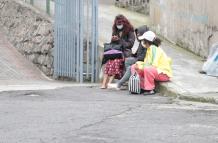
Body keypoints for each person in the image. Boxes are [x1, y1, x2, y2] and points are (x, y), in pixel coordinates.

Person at [108, 25, 162, 90]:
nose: (138, 36)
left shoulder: (153, 49)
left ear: (147, 41)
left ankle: (123, 82)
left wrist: (139, 63)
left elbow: (151, 63)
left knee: (131, 67)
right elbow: (147, 61)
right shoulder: (148, 47)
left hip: (159, 70)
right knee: (130, 65)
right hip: (146, 64)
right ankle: (130, 80)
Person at [131, 31, 172, 95]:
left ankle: (150, 89)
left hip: (163, 73)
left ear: (147, 41)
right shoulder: (149, 49)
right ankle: (140, 87)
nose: (143, 42)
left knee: (147, 69)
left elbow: (153, 65)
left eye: (144, 40)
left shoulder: (154, 49)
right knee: (134, 67)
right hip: (156, 72)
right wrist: (138, 64)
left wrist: (140, 66)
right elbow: (146, 63)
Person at [101, 14, 135, 89]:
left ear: (124, 23)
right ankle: (104, 84)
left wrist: (120, 40)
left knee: (115, 62)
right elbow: (113, 44)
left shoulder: (130, 31)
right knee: (109, 61)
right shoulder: (115, 29)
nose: (118, 26)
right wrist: (113, 40)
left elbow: (130, 44)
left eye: (120, 24)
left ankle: (110, 83)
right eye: (117, 24)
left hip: (125, 52)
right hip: (116, 52)